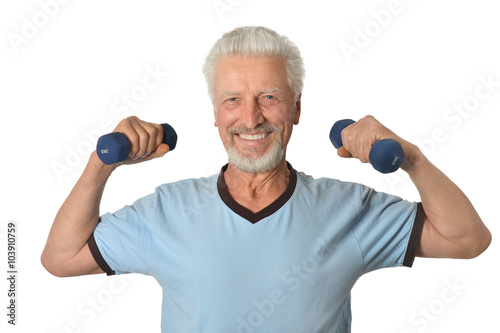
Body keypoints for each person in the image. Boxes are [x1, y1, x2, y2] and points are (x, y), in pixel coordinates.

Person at [41, 26, 491, 332]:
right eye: (233, 99)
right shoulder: (166, 211)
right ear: (216, 114)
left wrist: (412, 158)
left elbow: (467, 239)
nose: (251, 117)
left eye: (269, 97)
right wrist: (101, 165)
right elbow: (61, 258)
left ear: (296, 108)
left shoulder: (349, 209)